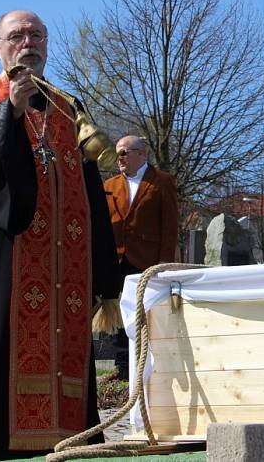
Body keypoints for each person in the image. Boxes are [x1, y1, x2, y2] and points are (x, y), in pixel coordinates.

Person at [0, 10, 120, 460]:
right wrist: (10, 112)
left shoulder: (67, 106)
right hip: (2, 258)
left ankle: (68, 444)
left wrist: (105, 273)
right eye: (17, 35)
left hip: (66, 268)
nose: (28, 42)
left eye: (37, 35)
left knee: (66, 360)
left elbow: (92, 185)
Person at [103, 135, 178, 379]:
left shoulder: (161, 182)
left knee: (144, 312)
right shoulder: (109, 186)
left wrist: (164, 264)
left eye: (124, 152)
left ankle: (149, 365)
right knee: (117, 312)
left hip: (146, 260)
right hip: (116, 260)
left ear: (141, 154)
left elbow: (169, 227)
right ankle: (122, 367)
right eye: (117, 154)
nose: (119, 158)